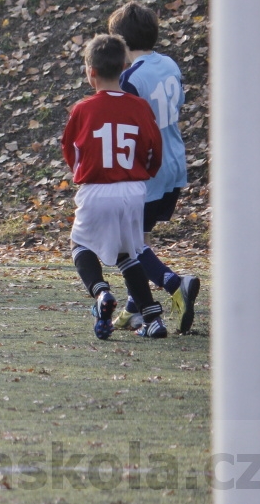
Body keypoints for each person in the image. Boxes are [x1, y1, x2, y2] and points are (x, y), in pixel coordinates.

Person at [62, 34, 168, 340]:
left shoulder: (83, 109)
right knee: (129, 252)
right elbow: (153, 150)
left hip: (97, 188)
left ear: (90, 71)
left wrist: (83, 174)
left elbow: (72, 151)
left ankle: (101, 293)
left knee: (80, 245)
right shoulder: (139, 107)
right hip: (133, 189)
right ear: (124, 67)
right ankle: (152, 318)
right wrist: (143, 174)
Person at [106, 2, 200, 333]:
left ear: (119, 42)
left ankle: (176, 284)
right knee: (140, 238)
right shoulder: (170, 65)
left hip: (149, 170)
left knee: (127, 245)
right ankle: (134, 310)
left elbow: (126, 129)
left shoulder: (130, 78)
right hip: (175, 163)